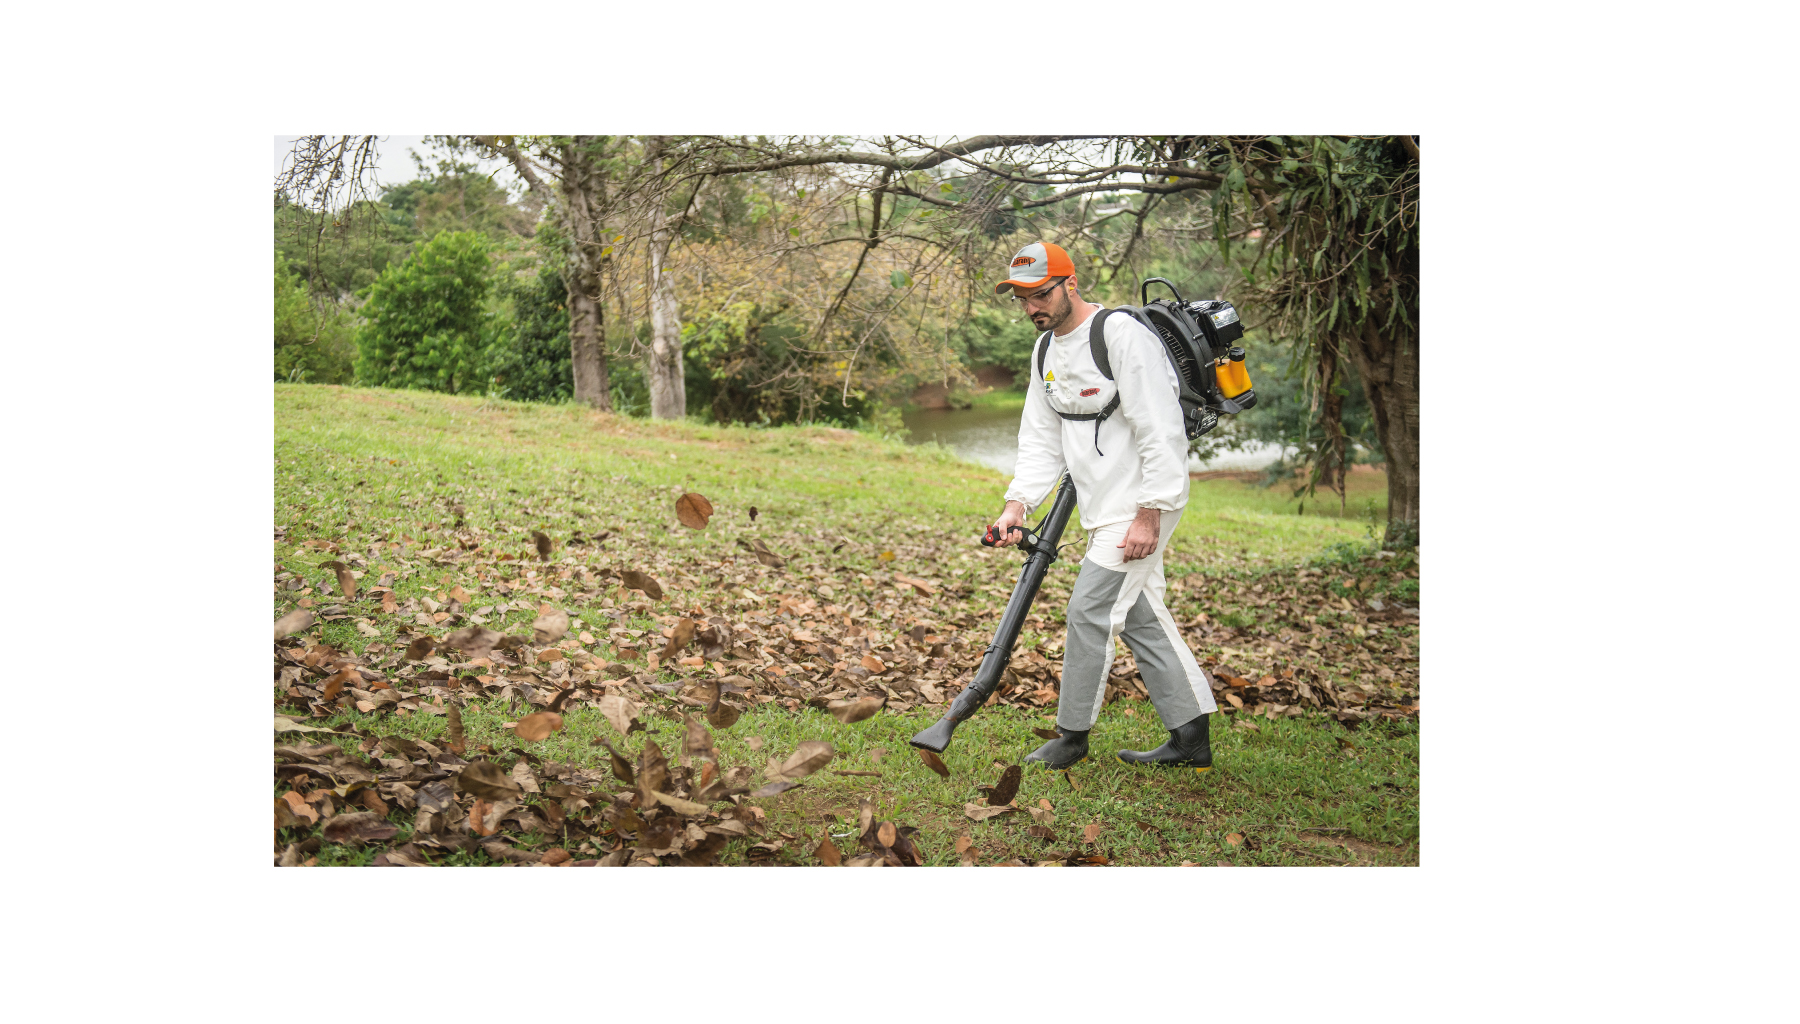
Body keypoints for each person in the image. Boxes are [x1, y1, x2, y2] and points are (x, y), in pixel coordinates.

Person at [987, 241, 1218, 771]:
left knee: (1088, 610)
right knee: (1139, 615)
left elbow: (1160, 428)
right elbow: (1040, 437)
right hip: (1100, 504)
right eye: (1021, 298)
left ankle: (1072, 735)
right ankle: (1191, 737)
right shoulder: (1044, 349)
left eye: (1040, 294)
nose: (1031, 308)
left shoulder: (1118, 335)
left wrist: (1150, 511)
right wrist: (1017, 504)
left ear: (1071, 284)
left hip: (1141, 502)